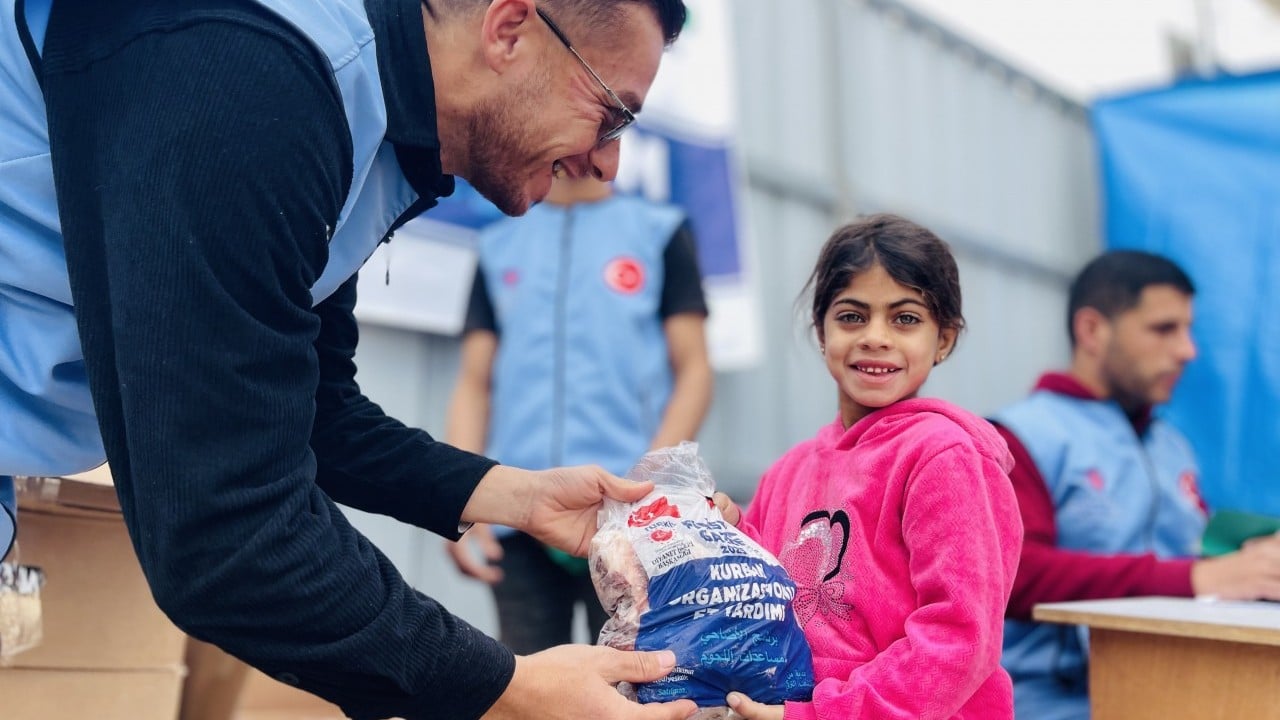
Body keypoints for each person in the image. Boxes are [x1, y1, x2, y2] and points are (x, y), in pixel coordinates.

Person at [0, 0, 703, 718]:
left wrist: (513, 496)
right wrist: (508, 688)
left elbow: (311, 407)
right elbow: (228, 533)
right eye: (612, 113)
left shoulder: (364, 126)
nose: (609, 164)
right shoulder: (255, 71)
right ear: (509, 28)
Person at [715, 214, 1023, 719]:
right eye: (852, 316)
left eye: (905, 318)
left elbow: (959, 639)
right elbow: (763, 591)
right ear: (821, 331)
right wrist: (722, 530)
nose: (875, 337)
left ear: (943, 339)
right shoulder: (788, 471)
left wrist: (819, 715)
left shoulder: (944, 457)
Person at [990, 249, 1280, 720]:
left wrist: (1256, 562)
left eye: (1187, 330)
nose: (1188, 350)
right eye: (1164, 329)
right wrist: (1195, 579)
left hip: (1183, 688)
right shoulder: (1018, 438)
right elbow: (1015, 576)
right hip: (1056, 702)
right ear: (1091, 331)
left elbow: (1201, 554)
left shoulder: (1172, 446)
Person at [444, 173, 713, 653]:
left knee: (624, 681)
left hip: (622, 516)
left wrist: (646, 488)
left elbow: (694, 372)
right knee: (523, 683)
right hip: (515, 509)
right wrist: (459, 497)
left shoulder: (659, 231)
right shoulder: (499, 242)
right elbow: (474, 382)